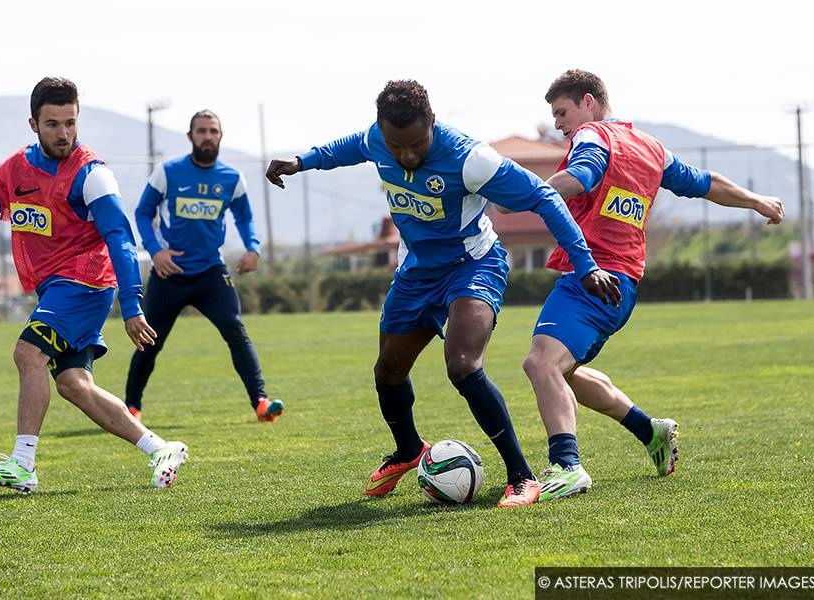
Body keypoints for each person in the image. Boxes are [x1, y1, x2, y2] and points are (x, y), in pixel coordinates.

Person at [266, 80, 620, 508]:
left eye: (416, 144)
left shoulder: (471, 159)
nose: (407, 156)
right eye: (397, 147)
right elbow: (347, 148)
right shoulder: (379, 139)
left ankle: (521, 476)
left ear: (432, 123)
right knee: (387, 373)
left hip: (473, 265)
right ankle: (409, 450)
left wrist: (586, 266)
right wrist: (302, 162)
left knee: (463, 366)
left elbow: (544, 197)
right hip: (416, 272)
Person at [522, 69, 784, 501]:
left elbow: (582, 174)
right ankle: (650, 430)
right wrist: (756, 200)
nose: (559, 124)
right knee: (562, 371)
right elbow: (706, 183)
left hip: (592, 278)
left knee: (540, 364)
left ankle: (567, 467)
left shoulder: (592, 136)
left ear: (589, 102)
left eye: (562, 112)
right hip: (621, 286)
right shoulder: (650, 147)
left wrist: (528, 195)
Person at [0, 77, 189, 493]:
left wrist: (132, 304)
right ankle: (161, 448)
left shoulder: (92, 174)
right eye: (53, 124)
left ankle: (23, 464)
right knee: (73, 385)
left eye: (70, 122)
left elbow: (120, 238)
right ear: (34, 124)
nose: (64, 133)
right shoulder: (16, 170)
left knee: (27, 353)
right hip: (56, 289)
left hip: (84, 283)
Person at [124, 110, 283, 423]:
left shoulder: (231, 178)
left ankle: (261, 403)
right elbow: (142, 212)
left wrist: (253, 248)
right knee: (149, 341)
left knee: (236, 332)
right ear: (190, 136)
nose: (207, 136)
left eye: (213, 131)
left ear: (220, 136)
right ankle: (131, 408)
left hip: (211, 272)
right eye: (201, 131)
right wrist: (156, 252)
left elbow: (245, 217)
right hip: (169, 274)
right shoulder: (168, 172)